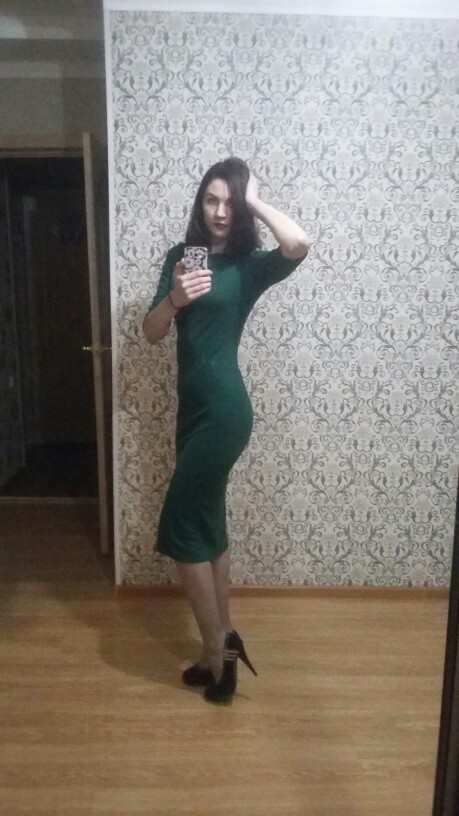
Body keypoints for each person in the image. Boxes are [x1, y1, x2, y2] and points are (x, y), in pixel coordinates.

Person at [143, 157, 309, 704]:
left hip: (224, 412)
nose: (219, 211)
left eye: (229, 203)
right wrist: (174, 299)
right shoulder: (180, 258)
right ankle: (225, 640)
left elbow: (298, 243)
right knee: (208, 523)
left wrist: (254, 199)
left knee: (181, 527)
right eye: (211, 200)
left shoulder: (249, 265)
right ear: (200, 203)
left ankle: (216, 656)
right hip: (191, 413)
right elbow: (150, 332)